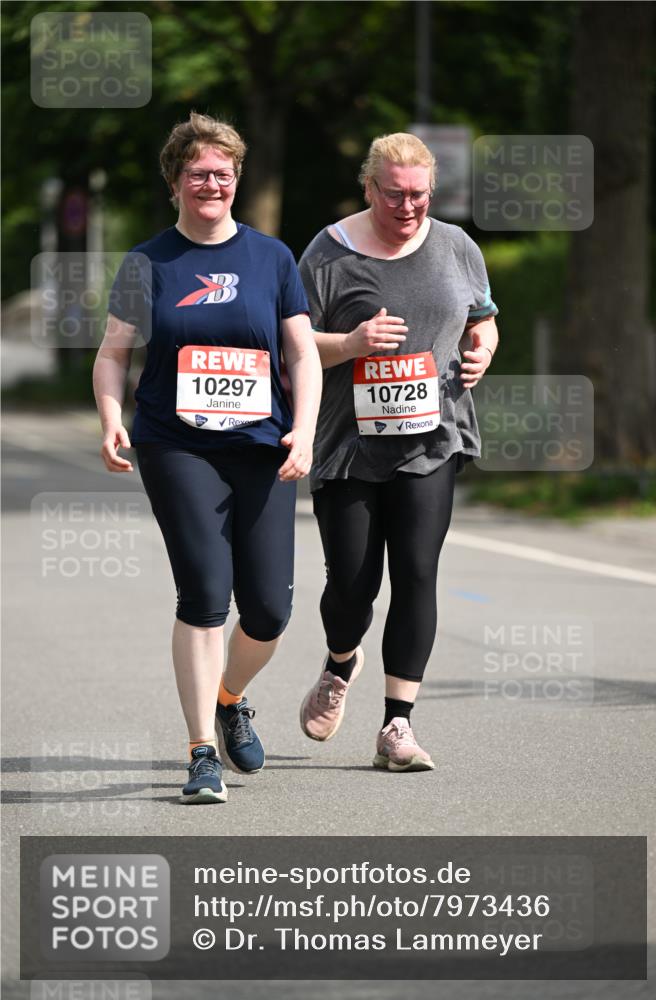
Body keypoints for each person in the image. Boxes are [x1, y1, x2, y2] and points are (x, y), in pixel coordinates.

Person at [93, 112, 321, 803]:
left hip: (261, 447)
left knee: (269, 611)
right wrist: (111, 418)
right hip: (177, 445)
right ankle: (200, 753)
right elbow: (113, 353)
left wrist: (305, 430)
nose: (211, 183)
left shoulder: (271, 258)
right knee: (203, 593)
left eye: (223, 173)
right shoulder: (148, 262)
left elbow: (302, 353)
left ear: (237, 180)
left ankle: (229, 699)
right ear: (175, 182)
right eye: (198, 173)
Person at [298, 132, 498, 772]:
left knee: (416, 572)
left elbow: (483, 319)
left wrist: (482, 351)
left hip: (431, 438)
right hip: (348, 445)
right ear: (369, 188)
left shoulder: (457, 246)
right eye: (394, 194)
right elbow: (293, 346)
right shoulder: (328, 253)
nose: (407, 206)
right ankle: (340, 663)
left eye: (419, 194)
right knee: (351, 585)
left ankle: (397, 724)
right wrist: (351, 343)